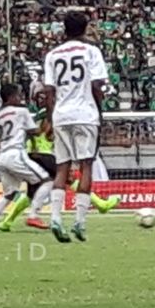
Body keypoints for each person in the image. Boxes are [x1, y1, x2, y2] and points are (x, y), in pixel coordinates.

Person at [42, 12, 116, 243]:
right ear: (85, 29)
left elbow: (49, 92)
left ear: (64, 29)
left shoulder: (52, 55)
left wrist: (51, 119)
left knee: (62, 168)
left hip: (62, 115)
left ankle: (55, 218)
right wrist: (100, 108)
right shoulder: (91, 51)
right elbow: (96, 84)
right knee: (86, 167)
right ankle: (79, 222)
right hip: (85, 113)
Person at [0, 83, 56, 234]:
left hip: (2, 156)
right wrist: (48, 119)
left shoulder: (0, 114)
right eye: (18, 95)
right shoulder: (22, 111)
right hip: (16, 154)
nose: (21, 97)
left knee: (9, 194)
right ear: (11, 97)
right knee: (47, 180)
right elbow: (34, 131)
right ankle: (33, 215)